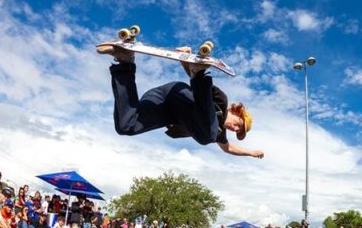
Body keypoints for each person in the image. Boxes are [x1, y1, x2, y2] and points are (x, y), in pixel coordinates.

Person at [99, 44, 264, 158]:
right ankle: (202, 74)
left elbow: (228, 148)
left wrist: (251, 153)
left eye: (236, 130)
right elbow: (195, 83)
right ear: (236, 112)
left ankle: (124, 61)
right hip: (176, 95)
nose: (233, 128)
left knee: (126, 126)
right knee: (208, 137)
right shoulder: (221, 101)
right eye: (238, 124)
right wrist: (186, 61)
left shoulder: (218, 132)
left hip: (164, 110)